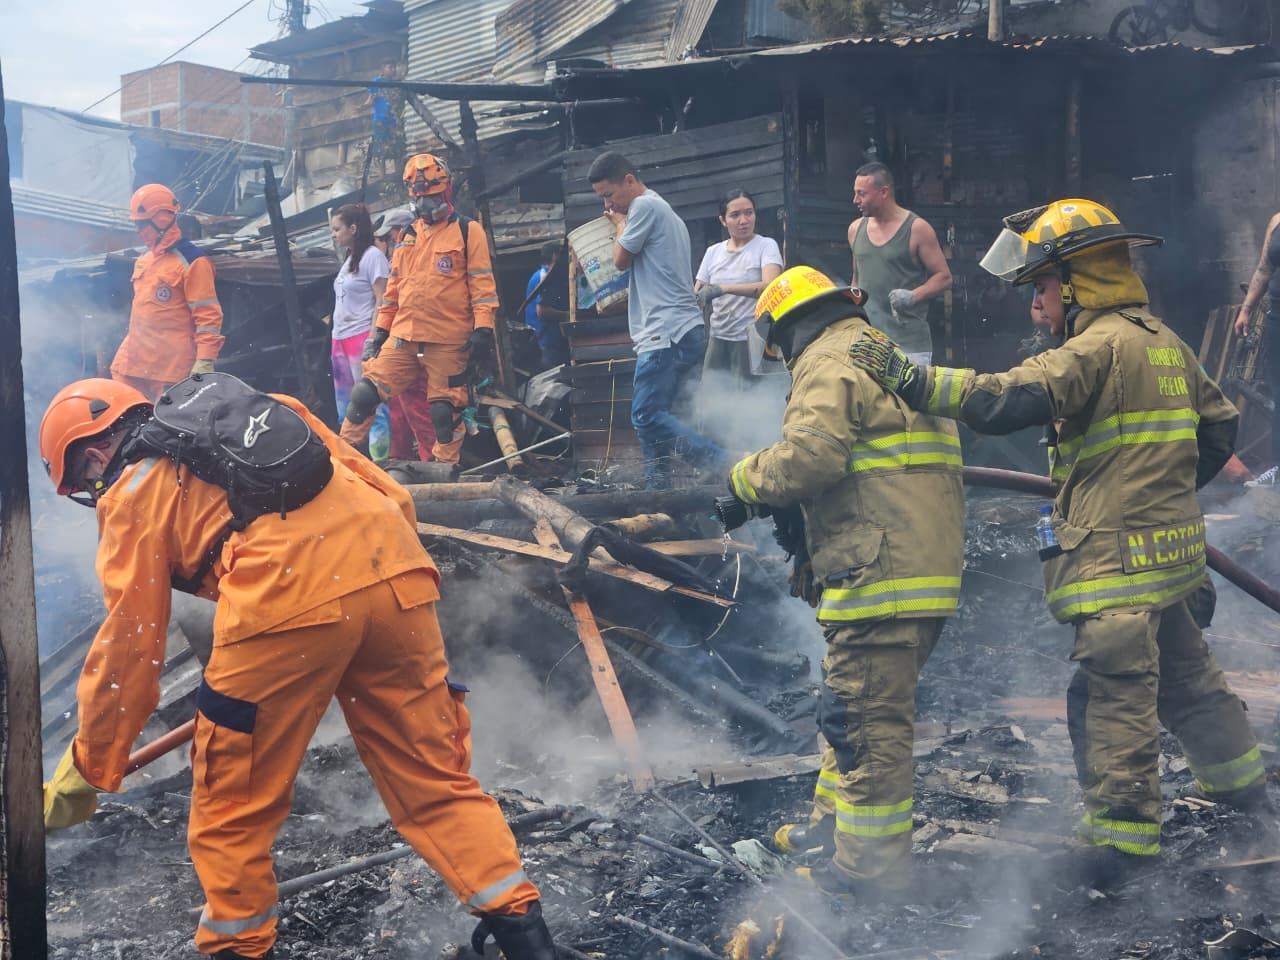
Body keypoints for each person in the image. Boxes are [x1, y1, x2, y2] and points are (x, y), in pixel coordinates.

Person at [37, 378, 561, 960]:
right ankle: (527, 941)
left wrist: (90, 770)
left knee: (233, 804)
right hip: (395, 570)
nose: (94, 492)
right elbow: (391, 494)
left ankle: (235, 949)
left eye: (84, 483)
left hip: (283, 602)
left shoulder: (130, 491)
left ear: (92, 456)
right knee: (435, 777)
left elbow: (129, 650)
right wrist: (367, 607)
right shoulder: (269, 409)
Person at [848, 199, 1267, 885]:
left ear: (1078, 282)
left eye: (1041, 287)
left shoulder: (1096, 347)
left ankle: (1122, 850)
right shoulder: (1162, 341)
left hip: (1116, 562)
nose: (1036, 304)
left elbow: (1003, 399)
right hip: (1171, 563)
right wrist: (1162, 489)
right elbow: (1217, 428)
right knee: (1192, 685)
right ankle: (1249, 801)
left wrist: (908, 377)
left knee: (1109, 696)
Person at [716, 266, 964, 900]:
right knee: (851, 711)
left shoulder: (827, 363)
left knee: (868, 729)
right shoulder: (884, 354)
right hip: (914, 569)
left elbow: (812, 458)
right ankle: (830, 829)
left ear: (782, 331)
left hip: (881, 573)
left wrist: (743, 477)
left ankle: (865, 873)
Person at [340, 154, 500, 465]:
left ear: (446, 191)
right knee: (364, 393)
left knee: (444, 413)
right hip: (404, 335)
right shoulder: (408, 234)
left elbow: (482, 287)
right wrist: (379, 333)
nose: (426, 205)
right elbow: (394, 290)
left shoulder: (469, 232)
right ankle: (344, 460)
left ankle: (443, 473)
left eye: (432, 197)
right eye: (420, 198)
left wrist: (484, 329)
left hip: (448, 339)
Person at [588, 151, 727, 488]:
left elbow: (620, 260)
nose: (608, 204)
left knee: (646, 415)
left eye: (609, 195)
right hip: (679, 327)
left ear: (630, 181)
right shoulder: (662, 210)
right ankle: (659, 489)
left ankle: (719, 462)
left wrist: (619, 225)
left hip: (667, 332)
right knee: (659, 417)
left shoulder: (643, 207)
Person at [111, 183, 224, 401]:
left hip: (170, 372)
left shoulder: (193, 262)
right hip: (132, 366)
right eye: (137, 224)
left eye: (142, 224)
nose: (139, 231)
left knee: (163, 431)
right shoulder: (144, 261)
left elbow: (208, 317)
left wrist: (205, 361)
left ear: (161, 219)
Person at [848, 162, 952, 363]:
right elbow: (856, 279)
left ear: (883, 192)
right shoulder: (855, 230)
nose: (855, 200)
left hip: (910, 346)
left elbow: (944, 278)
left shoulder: (917, 229)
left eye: (862, 194)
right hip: (869, 345)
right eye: (855, 193)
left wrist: (913, 296)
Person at [694, 189, 784, 388]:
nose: (744, 220)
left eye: (749, 212)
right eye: (735, 215)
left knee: (748, 398)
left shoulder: (765, 246)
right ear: (723, 220)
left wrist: (723, 288)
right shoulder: (713, 252)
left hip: (752, 338)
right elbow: (698, 290)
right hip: (718, 336)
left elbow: (770, 286)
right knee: (711, 396)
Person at [374, 208, 437, 462]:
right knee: (400, 409)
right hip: (402, 344)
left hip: (416, 345)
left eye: (389, 238)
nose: (389, 245)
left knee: (420, 410)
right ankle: (399, 464)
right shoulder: (402, 259)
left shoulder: (417, 257)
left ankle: (433, 467)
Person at [329, 203, 392, 460]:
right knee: (345, 407)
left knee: (371, 404)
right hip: (340, 338)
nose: (333, 234)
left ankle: (381, 463)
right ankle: (352, 462)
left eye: (337, 229)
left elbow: (383, 299)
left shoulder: (372, 257)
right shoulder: (348, 261)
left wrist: (374, 337)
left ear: (353, 229)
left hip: (360, 338)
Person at [1232, 212, 1280, 487]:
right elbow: (1264, 269)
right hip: (1278, 320)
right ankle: (1279, 469)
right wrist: (1246, 309)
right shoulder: (1277, 222)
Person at [525, 241, 571, 369]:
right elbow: (542, 310)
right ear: (555, 256)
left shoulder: (541, 274)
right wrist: (568, 315)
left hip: (546, 338)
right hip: (546, 338)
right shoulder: (545, 276)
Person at [365, 60, 405, 178]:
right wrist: (362, 107)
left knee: (397, 151)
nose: (393, 70)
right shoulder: (377, 82)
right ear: (383, 68)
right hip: (380, 121)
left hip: (394, 122)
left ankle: (399, 177)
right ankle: (382, 178)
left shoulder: (396, 85)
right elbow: (371, 99)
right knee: (380, 152)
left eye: (394, 67)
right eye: (390, 67)